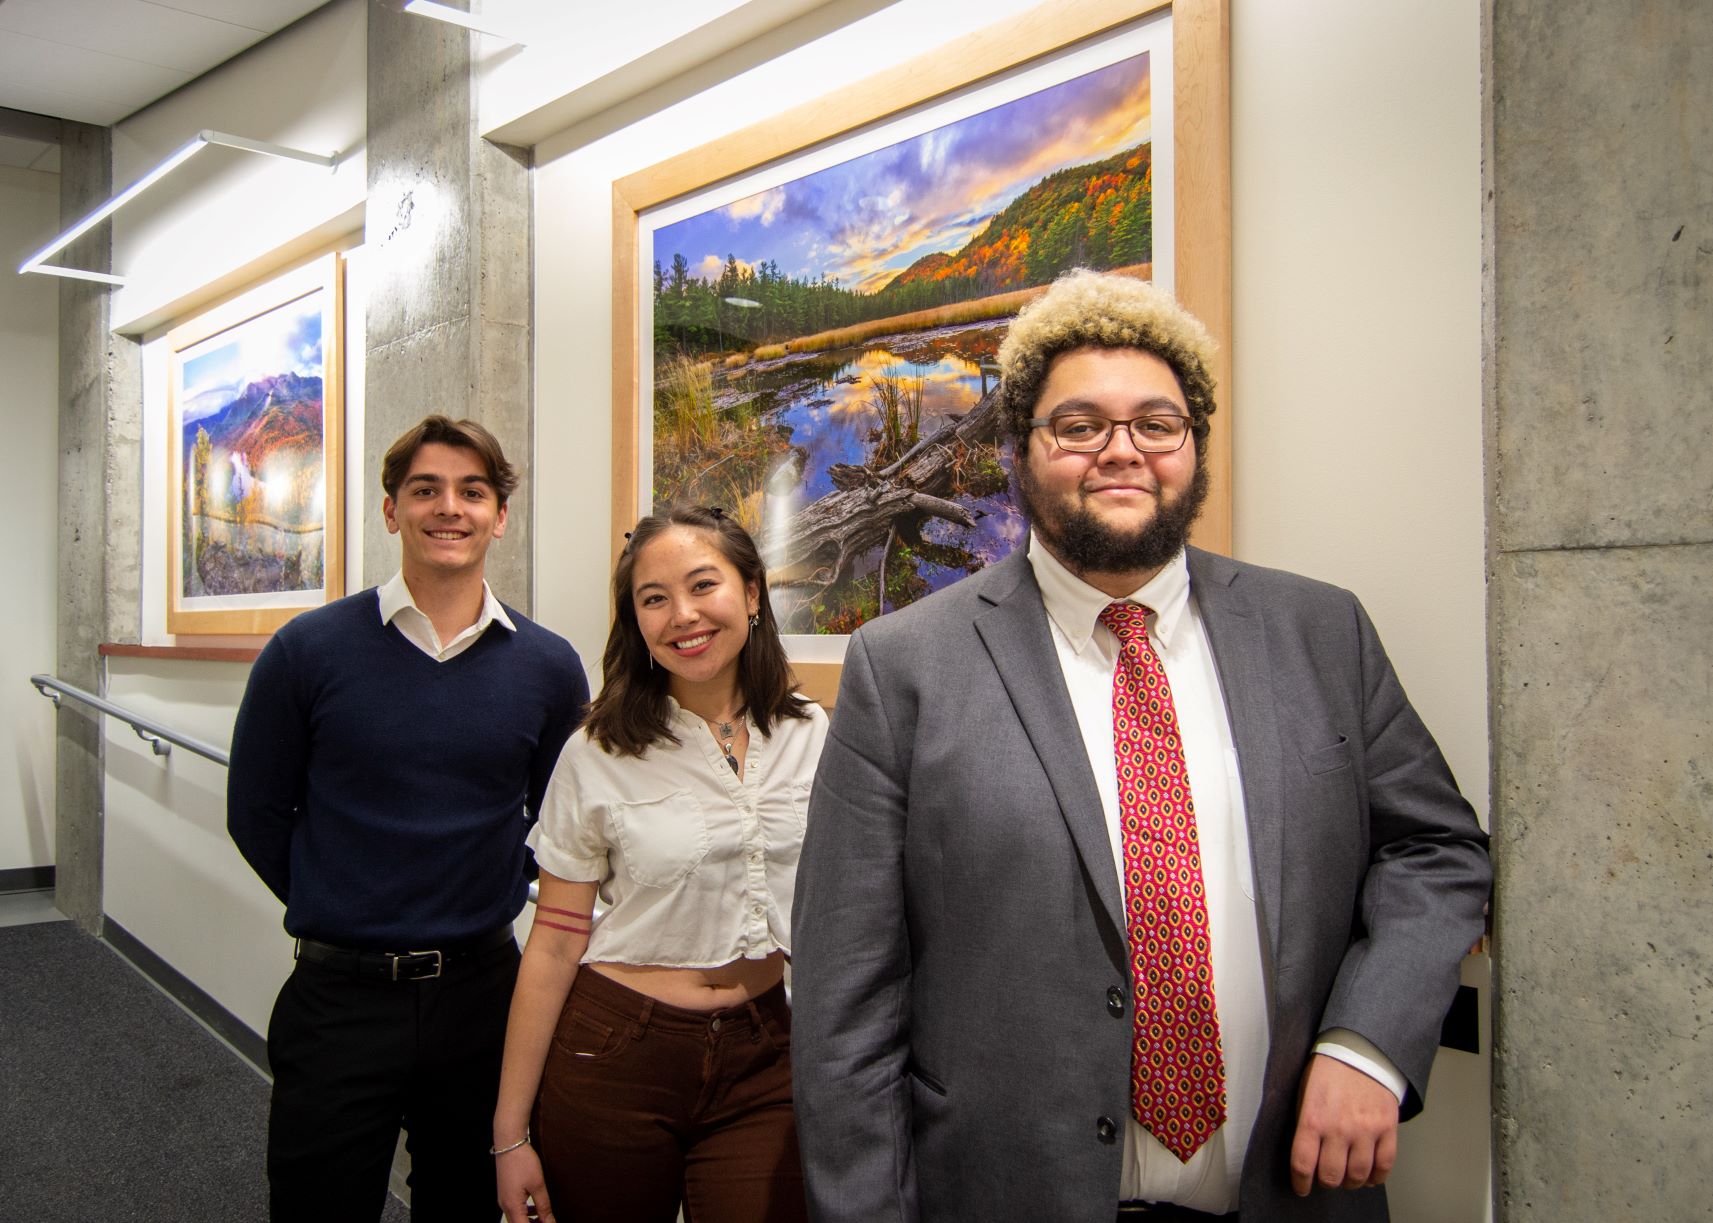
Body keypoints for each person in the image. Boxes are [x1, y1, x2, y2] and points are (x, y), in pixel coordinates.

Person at [790, 269, 1492, 1222]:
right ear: (1020, 449)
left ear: (1191, 446)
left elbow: (1437, 848)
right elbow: (845, 1002)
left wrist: (1368, 1041)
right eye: (1078, 425)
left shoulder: (1320, 632)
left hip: (1292, 1195)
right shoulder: (904, 665)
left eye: (1156, 424)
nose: (1121, 452)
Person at [228, 415, 589, 1222]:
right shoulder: (307, 650)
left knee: (465, 1206)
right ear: (391, 511)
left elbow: (561, 824)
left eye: (472, 491)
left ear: (499, 514)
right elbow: (255, 813)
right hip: (338, 996)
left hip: (482, 995)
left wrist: (483, 881)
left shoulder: (548, 666)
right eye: (425, 490)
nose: (448, 508)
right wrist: (346, 896)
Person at [493, 505, 826, 1223]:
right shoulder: (598, 750)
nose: (683, 614)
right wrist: (508, 1133)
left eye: (703, 584)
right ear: (635, 622)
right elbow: (553, 939)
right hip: (617, 1047)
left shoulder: (810, 732)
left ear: (753, 593)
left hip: (766, 1048)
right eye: (653, 598)